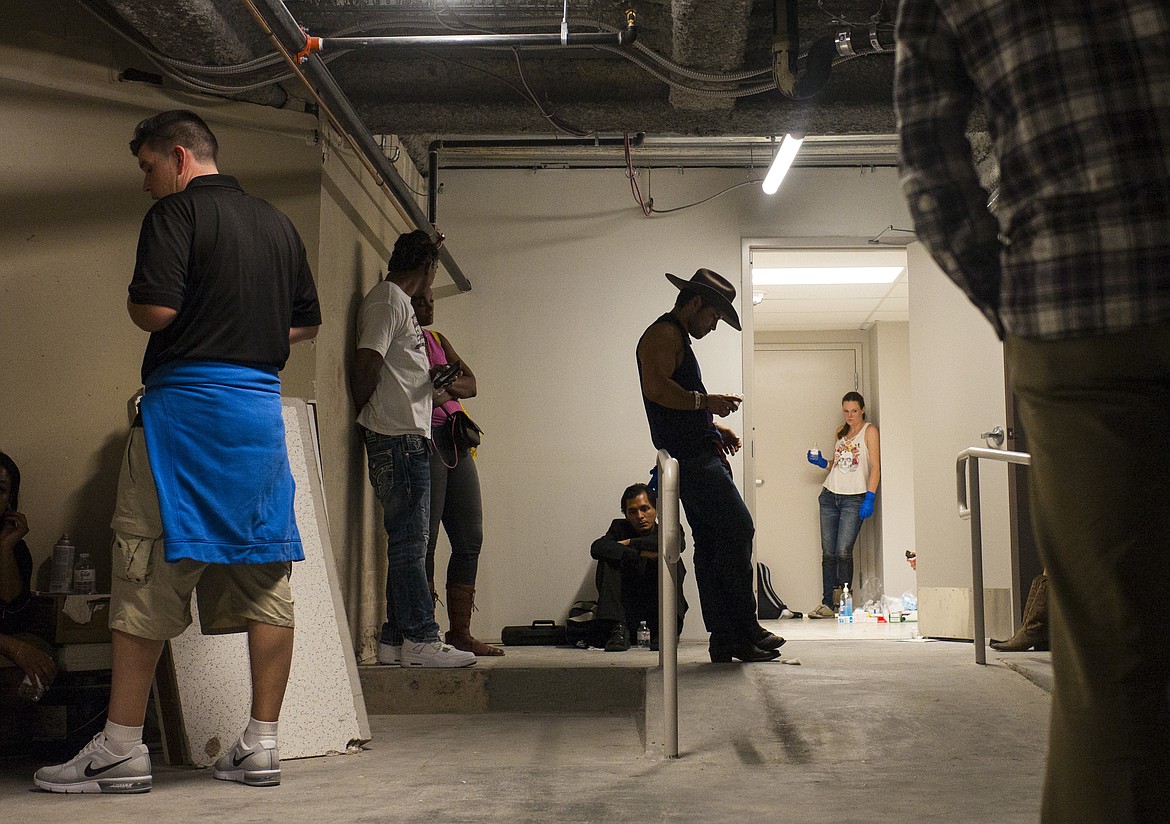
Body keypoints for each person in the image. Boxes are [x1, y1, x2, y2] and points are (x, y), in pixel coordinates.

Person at [895, 3, 1170, 820]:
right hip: (1075, 322)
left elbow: (934, 178)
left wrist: (1019, 310)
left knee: (1111, 662)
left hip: (1078, 315)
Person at [35, 110, 322, 793]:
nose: (146, 183)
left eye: (146, 166)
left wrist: (187, 313)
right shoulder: (277, 225)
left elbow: (155, 311)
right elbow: (303, 324)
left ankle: (121, 749)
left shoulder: (174, 216)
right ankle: (263, 745)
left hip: (187, 416)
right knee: (264, 579)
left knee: (145, 571)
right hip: (256, 417)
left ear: (179, 155)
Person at [636, 268, 784, 663]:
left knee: (714, 544)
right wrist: (707, 403)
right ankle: (743, 627)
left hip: (696, 454)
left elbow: (673, 404)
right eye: (714, 317)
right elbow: (656, 388)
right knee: (737, 530)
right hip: (693, 462)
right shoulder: (664, 333)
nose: (714, 327)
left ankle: (725, 636)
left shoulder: (674, 336)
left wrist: (714, 426)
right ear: (697, 303)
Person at [351, 231, 475, 669]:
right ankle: (422, 638)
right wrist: (374, 416)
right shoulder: (388, 301)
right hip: (397, 437)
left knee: (408, 540)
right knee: (411, 542)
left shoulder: (397, 304)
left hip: (405, 434)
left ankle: (394, 636)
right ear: (428, 270)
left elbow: (395, 371)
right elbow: (367, 364)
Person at [411, 287, 502, 656]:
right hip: (426, 438)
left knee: (470, 537)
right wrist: (444, 387)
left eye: (432, 299)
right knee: (427, 538)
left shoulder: (437, 338)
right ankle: (426, 630)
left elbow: (472, 383)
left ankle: (460, 631)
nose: (430, 305)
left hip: (456, 437)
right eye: (421, 300)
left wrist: (442, 385)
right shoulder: (404, 340)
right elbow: (422, 391)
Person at [805, 392, 881, 619]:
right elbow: (839, 465)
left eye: (854, 411)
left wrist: (870, 496)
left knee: (843, 551)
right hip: (830, 495)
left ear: (863, 410)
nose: (850, 415)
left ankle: (844, 603)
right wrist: (822, 463)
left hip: (854, 498)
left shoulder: (870, 431)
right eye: (846, 411)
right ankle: (827, 603)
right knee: (828, 553)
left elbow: (875, 466)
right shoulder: (841, 432)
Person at [589, 483, 688, 652]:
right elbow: (597, 547)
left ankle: (666, 629)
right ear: (626, 515)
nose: (640, 516)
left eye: (645, 509)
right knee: (607, 559)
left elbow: (677, 544)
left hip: (658, 609)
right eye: (632, 512)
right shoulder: (619, 528)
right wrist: (639, 554)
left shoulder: (669, 528)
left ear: (656, 510)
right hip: (627, 610)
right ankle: (617, 630)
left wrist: (630, 543)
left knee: (672, 559)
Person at [0, 452, 56, 703]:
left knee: (39, 658)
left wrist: (5, 548)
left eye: (0, 490)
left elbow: (10, 603)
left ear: (9, 500)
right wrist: (14, 647)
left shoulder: (14, 548)